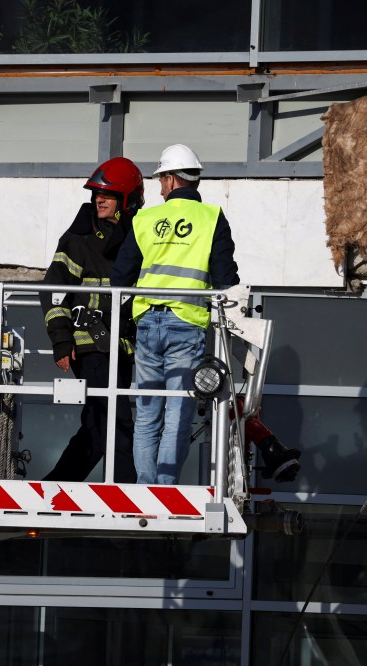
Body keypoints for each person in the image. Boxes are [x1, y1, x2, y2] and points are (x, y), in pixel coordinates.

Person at [111, 144, 239, 485]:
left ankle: (144, 487)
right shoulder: (211, 217)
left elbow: (119, 278)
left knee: (147, 413)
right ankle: (164, 490)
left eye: (161, 179)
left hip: (148, 323)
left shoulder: (145, 219)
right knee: (178, 414)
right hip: (186, 325)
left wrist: (128, 317)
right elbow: (226, 280)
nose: (158, 186)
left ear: (170, 179)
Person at [41, 157, 144, 483]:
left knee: (97, 425)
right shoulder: (78, 240)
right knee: (117, 418)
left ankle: (56, 486)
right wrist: (61, 340)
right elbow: (53, 293)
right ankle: (128, 497)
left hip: (122, 349)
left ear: (127, 201)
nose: (99, 199)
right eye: (96, 194)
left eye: (108, 195)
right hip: (89, 345)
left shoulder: (139, 238)